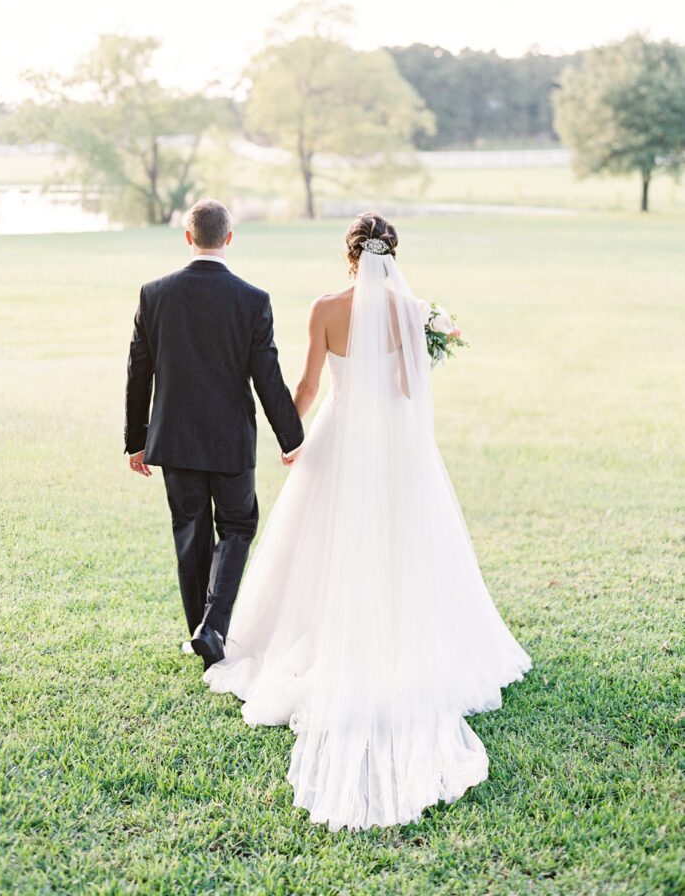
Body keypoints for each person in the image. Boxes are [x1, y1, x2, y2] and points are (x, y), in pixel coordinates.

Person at [204, 212, 532, 831]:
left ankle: (318, 629)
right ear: (393, 254)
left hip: (339, 435)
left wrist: (291, 437)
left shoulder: (325, 308)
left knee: (322, 544)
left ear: (349, 255)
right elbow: (408, 388)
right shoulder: (410, 311)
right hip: (397, 445)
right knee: (405, 541)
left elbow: (308, 385)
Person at [124, 199, 304, 669]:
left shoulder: (154, 294)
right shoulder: (252, 300)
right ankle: (213, 627)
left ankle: (204, 634)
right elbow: (268, 376)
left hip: (175, 440)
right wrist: (291, 438)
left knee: (191, 533)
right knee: (238, 527)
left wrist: (136, 439)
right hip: (230, 441)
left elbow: (138, 372)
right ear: (229, 238)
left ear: (188, 237)